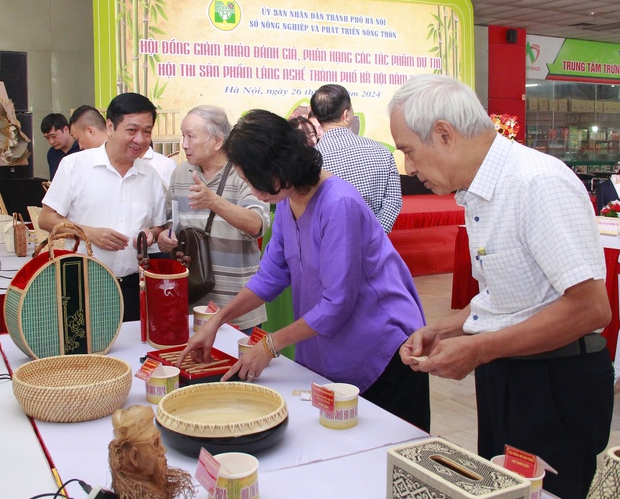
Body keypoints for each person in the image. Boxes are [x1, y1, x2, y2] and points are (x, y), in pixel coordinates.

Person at [389, 74, 614, 499]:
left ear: (443, 134)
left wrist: (479, 350)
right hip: (508, 373)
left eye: (409, 152)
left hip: (555, 385)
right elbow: (507, 294)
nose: (410, 169)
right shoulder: (478, 191)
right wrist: (449, 330)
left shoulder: (536, 183)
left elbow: (590, 309)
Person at [179, 109, 430, 432]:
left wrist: (270, 345)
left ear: (280, 166)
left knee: (386, 451)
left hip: (382, 347)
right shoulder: (287, 201)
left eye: (254, 180)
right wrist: (217, 320)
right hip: (335, 345)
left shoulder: (339, 203)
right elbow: (270, 277)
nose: (253, 192)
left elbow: (336, 304)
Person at [40, 93, 167, 322]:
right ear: (110, 126)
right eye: (132, 130)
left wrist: (152, 234)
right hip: (83, 285)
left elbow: (158, 226)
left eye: (146, 132)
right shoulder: (75, 165)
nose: (140, 139)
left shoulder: (150, 176)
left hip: (132, 287)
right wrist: (89, 233)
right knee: (85, 354)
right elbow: (46, 219)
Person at [157, 105, 270, 332]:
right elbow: (173, 221)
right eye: (183, 135)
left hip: (238, 306)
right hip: (192, 304)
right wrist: (165, 236)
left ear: (218, 141)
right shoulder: (181, 173)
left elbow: (257, 225)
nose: (184, 144)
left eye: (191, 136)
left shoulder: (245, 172)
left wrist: (213, 201)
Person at [310, 84, 402, 233]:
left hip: (327, 246)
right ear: (346, 115)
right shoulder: (382, 152)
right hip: (374, 248)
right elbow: (393, 201)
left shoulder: (309, 161)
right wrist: (375, 236)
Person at [41, 113, 80, 179]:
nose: (51, 142)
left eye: (54, 136)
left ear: (66, 129)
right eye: (47, 138)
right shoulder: (52, 153)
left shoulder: (82, 148)